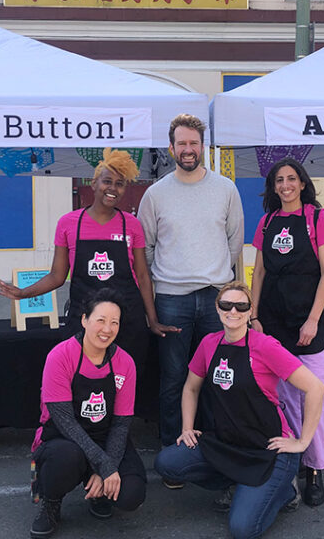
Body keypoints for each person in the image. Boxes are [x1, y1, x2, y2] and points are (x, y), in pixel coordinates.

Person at [0, 148, 175, 413]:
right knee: (83, 379)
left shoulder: (131, 225)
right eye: (107, 181)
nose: (113, 189)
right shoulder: (68, 223)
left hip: (128, 320)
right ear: (93, 183)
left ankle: (119, 435)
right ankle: (86, 435)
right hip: (84, 317)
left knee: (124, 383)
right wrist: (22, 294)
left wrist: (153, 319)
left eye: (120, 184)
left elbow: (143, 276)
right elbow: (57, 276)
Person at [153, 282, 324, 539]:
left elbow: (315, 388)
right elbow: (190, 388)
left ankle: (284, 491)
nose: (233, 311)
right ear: (217, 308)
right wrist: (187, 427)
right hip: (228, 443)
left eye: (241, 306)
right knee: (167, 463)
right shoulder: (209, 344)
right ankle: (239, 483)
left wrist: (302, 442)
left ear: (249, 310)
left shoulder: (265, 346)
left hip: (268, 449)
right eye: (226, 305)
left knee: (243, 530)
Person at [138, 113, 245, 455]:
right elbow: (147, 247)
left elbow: (234, 241)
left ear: (203, 147)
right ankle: (174, 450)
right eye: (181, 143)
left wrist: (214, 273)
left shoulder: (225, 189)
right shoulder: (155, 195)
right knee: (173, 379)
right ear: (171, 148)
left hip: (217, 300)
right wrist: (171, 275)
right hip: (172, 299)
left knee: (219, 377)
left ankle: (216, 448)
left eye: (194, 143)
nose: (188, 149)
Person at [249, 158, 324, 507]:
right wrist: (253, 314)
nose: (285, 185)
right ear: (273, 188)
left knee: (314, 396)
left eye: (291, 179)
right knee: (284, 397)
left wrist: (313, 319)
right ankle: (292, 459)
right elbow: (258, 274)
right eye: (278, 181)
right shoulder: (267, 222)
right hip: (273, 322)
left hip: (309, 320)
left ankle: (315, 467)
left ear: (302, 183)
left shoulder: (319, 218)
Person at [28, 288, 146, 538]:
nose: (107, 329)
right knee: (65, 457)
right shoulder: (60, 356)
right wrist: (103, 465)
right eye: (100, 320)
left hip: (105, 435)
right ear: (84, 319)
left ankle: (99, 493)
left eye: (114, 322)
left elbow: (122, 425)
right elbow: (64, 421)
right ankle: (50, 502)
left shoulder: (125, 363)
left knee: (131, 494)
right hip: (64, 436)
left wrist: (107, 467)